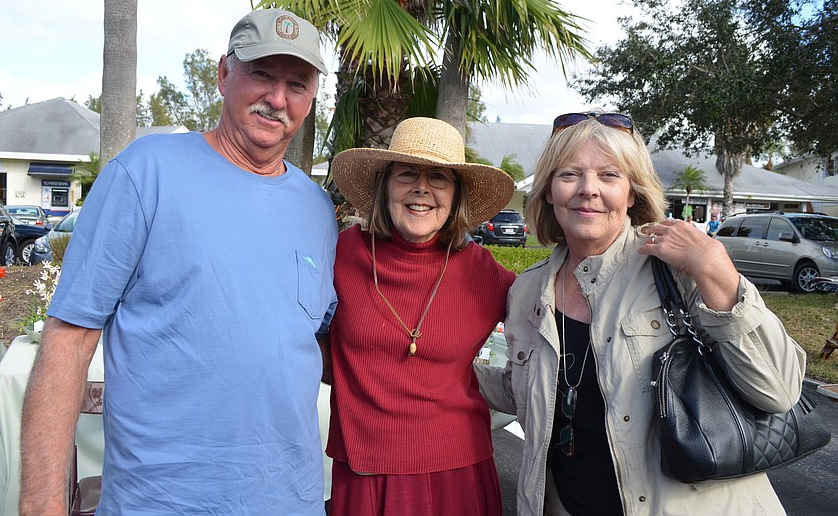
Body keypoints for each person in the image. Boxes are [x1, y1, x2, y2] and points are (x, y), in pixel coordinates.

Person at [19, 8, 338, 515]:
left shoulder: (317, 210)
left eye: (297, 84)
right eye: (261, 75)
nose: (278, 99)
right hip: (162, 503)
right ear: (222, 74)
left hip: (289, 501)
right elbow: (69, 338)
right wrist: (41, 504)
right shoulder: (145, 172)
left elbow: (314, 346)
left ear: (312, 97)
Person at [475, 111, 806, 515]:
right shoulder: (528, 290)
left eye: (609, 176)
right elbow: (523, 390)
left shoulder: (676, 268)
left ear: (633, 192)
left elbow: (778, 391)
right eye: (569, 175)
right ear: (547, 191)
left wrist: (717, 271)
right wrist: (442, 371)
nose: (588, 190)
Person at [325, 117, 517, 516]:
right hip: (365, 473)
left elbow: (554, 320)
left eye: (440, 178)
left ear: (456, 194)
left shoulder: (484, 271)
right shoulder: (340, 254)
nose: (422, 188)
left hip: (458, 475)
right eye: (407, 173)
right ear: (385, 185)